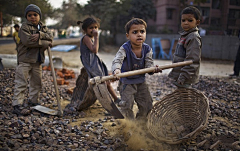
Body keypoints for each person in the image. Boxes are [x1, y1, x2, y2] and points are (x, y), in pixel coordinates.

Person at [111, 18, 161, 120]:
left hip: (141, 82)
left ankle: (140, 124)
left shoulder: (147, 49)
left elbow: (149, 64)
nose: (139, 34)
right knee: (126, 105)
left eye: (142, 31)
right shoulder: (124, 48)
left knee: (147, 104)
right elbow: (117, 60)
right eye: (135, 32)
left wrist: (152, 69)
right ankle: (129, 126)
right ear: (128, 36)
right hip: (127, 83)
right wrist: (116, 70)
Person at [12, 4, 53, 115]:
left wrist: (40, 34)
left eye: (35, 14)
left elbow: (51, 36)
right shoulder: (24, 28)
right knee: (21, 82)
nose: (32, 17)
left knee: (37, 82)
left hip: (37, 60)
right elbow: (28, 42)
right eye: (29, 15)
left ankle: (33, 101)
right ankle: (17, 104)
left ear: (39, 16)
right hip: (25, 60)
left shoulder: (43, 27)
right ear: (26, 17)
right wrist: (46, 42)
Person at [77, 17, 120, 104]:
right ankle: (110, 100)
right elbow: (94, 50)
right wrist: (97, 37)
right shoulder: (86, 38)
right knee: (102, 81)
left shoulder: (91, 37)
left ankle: (115, 98)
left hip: (95, 62)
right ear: (85, 30)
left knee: (106, 80)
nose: (94, 30)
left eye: (95, 27)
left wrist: (95, 38)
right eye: (91, 28)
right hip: (91, 64)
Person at [168, 6, 202, 88]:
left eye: (190, 20)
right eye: (183, 20)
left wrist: (183, 76)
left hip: (185, 77)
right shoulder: (185, 35)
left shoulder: (193, 37)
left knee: (184, 97)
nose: (186, 23)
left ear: (197, 22)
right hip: (180, 74)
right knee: (180, 96)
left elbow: (192, 60)